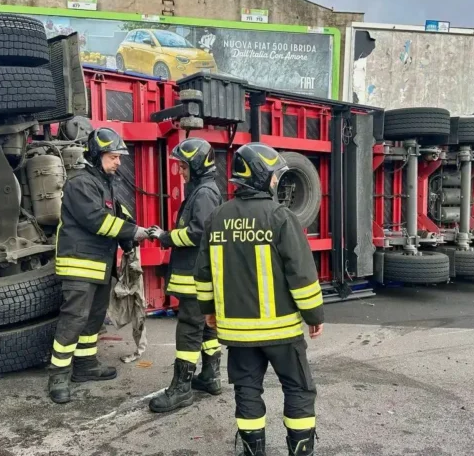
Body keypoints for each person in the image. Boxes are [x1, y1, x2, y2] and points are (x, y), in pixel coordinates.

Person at [193, 143, 325, 456]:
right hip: (281, 333)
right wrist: (314, 316)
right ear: (263, 177)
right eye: (276, 177)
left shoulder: (217, 218)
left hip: (237, 334)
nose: (278, 182)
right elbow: (302, 276)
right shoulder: (281, 217)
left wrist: (208, 312)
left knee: (247, 390)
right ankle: (301, 451)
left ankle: (253, 451)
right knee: (299, 389)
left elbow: (203, 274)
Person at [48, 127, 151, 404]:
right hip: (80, 265)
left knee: (93, 320)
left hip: (99, 266)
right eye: (113, 157)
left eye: (119, 157)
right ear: (96, 155)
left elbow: (116, 213)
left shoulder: (102, 182)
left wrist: (132, 232)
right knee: (74, 320)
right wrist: (133, 232)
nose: (119, 162)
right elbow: (97, 220)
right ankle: (58, 375)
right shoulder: (80, 183)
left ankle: (85, 366)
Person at [147, 138, 224, 413]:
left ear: (196, 165)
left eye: (183, 166)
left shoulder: (203, 193)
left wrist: (165, 237)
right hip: (199, 274)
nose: (180, 171)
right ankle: (211, 376)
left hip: (194, 276)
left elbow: (198, 232)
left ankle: (181, 389)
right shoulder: (204, 190)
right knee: (205, 327)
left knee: (190, 330)